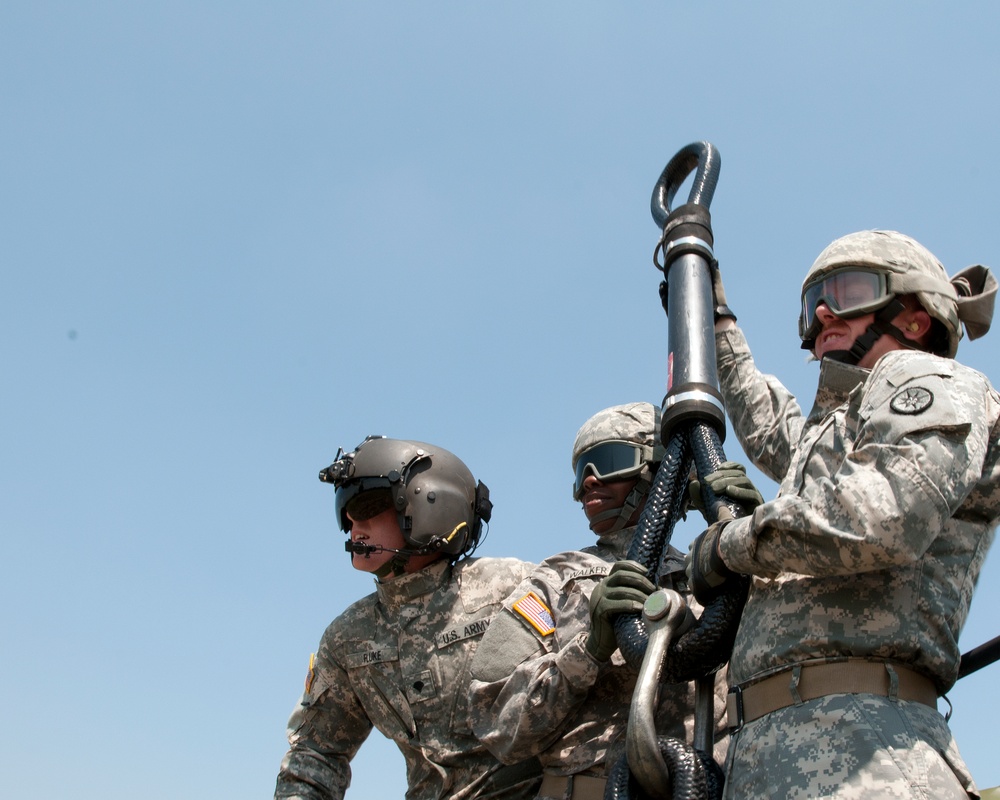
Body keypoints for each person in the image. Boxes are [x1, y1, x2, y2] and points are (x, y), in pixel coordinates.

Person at [684, 229, 1000, 798]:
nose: (824, 311)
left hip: (866, 747)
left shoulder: (929, 380)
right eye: (814, 303)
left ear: (914, 317)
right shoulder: (840, 429)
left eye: (848, 291)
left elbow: (885, 515)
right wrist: (718, 320)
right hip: (775, 749)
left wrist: (729, 544)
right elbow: (765, 424)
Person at [469, 403, 733, 800]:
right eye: (582, 472)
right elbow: (498, 728)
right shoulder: (554, 582)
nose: (590, 482)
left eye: (607, 462)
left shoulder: (713, 572)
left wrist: (748, 530)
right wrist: (588, 650)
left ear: (661, 471)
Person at [274, 435, 542, 800]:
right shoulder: (348, 637)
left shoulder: (510, 586)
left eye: (367, 505)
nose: (354, 524)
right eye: (345, 511)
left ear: (431, 504)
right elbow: (316, 755)